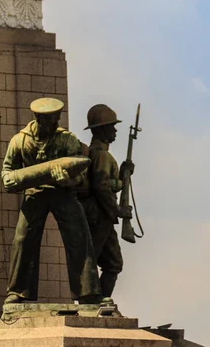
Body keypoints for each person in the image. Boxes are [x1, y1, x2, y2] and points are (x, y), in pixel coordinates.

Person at [1, 98, 101, 304]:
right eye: (51, 120)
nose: (56, 123)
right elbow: (7, 173)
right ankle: (18, 291)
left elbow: (81, 178)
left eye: (57, 119)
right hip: (34, 193)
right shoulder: (19, 141)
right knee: (23, 239)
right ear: (39, 118)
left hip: (63, 193)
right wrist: (17, 180)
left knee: (79, 236)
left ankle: (88, 292)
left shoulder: (68, 140)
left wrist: (67, 180)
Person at [79, 104, 134, 298]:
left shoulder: (98, 153)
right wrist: (118, 210)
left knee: (110, 262)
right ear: (102, 129)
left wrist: (122, 174)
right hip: (99, 216)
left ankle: (98, 301)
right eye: (112, 126)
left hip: (101, 215)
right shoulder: (101, 155)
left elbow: (106, 183)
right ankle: (93, 301)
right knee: (96, 261)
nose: (115, 130)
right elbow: (101, 187)